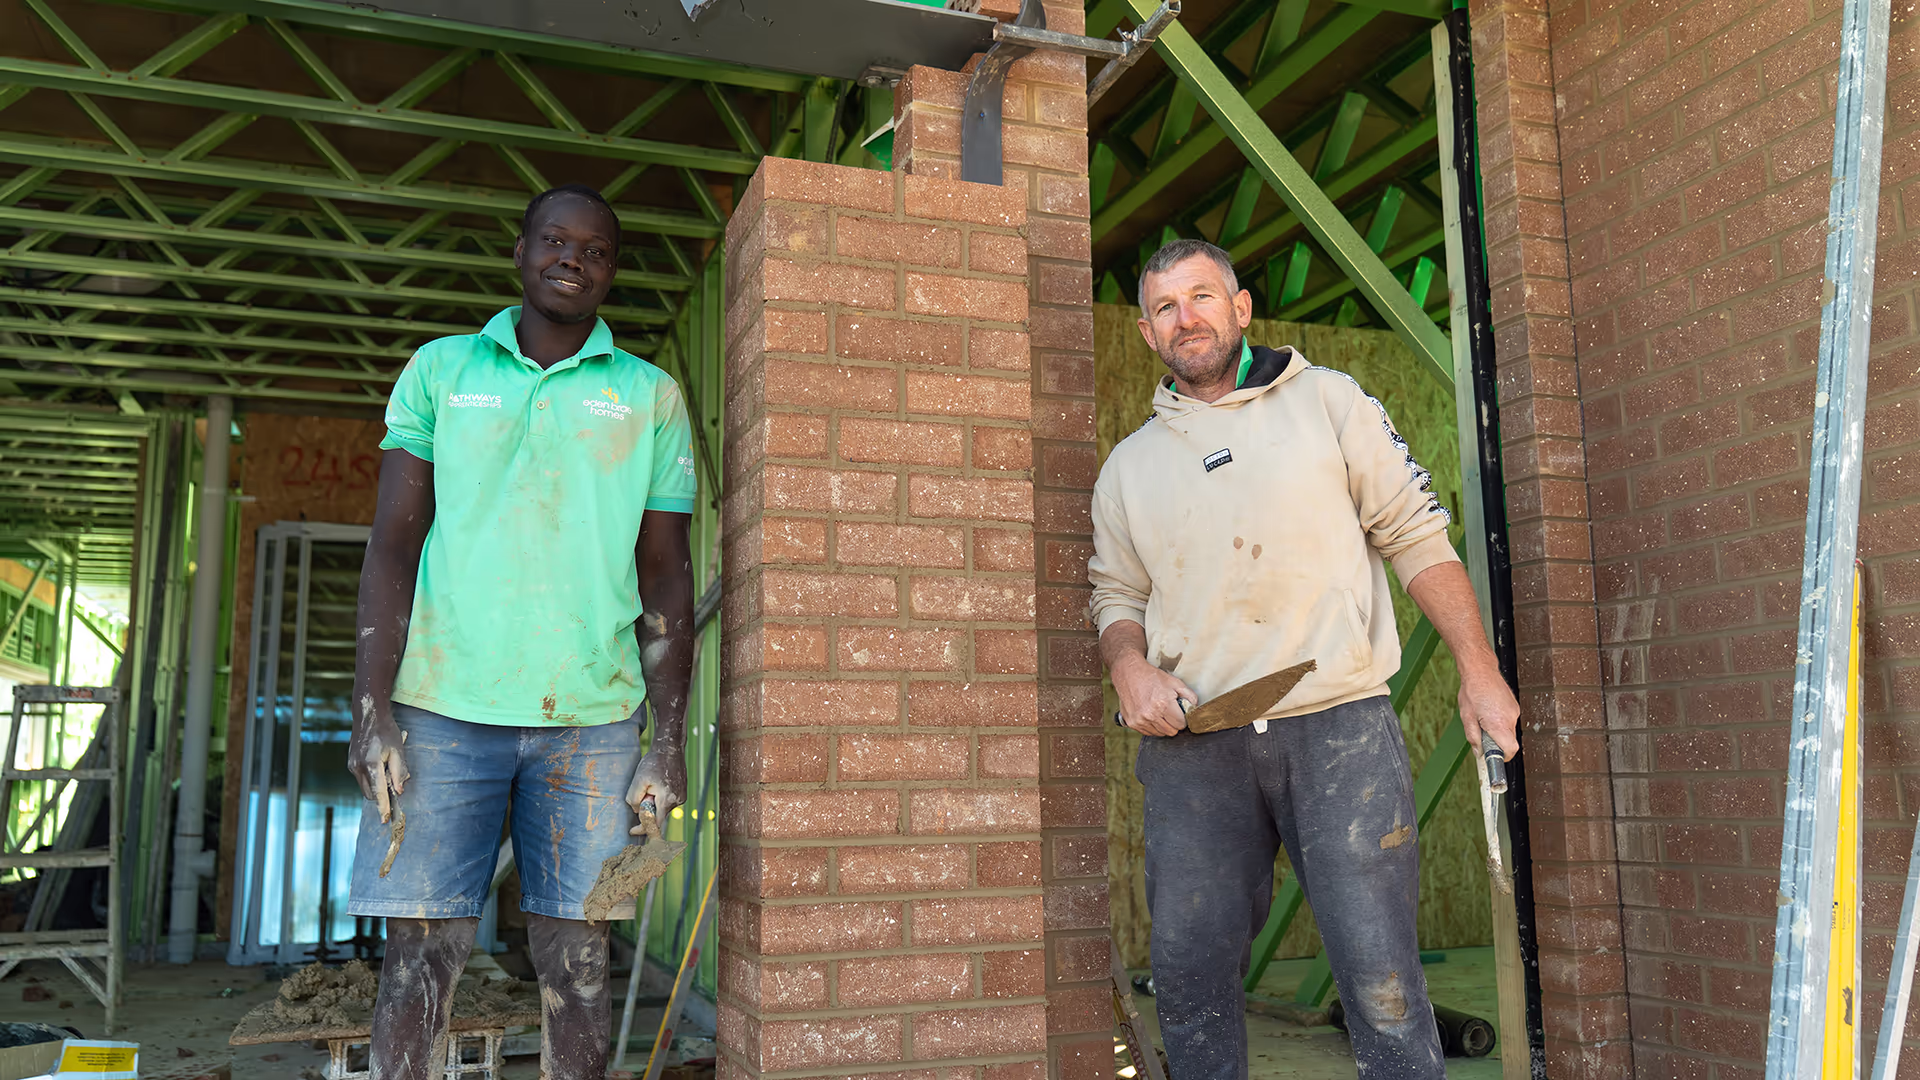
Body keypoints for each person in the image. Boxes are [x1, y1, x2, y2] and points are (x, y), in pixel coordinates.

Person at [1089, 238, 1521, 1079]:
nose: (1186, 318)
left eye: (1202, 296)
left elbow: (1415, 535)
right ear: (1146, 332)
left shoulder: (1329, 402)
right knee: (1189, 979)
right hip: (1195, 748)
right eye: (1166, 307)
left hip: (1339, 731)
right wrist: (1128, 668)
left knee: (1381, 980)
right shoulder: (1128, 469)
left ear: (1241, 307)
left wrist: (1479, 671)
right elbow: (1117, 598)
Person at [345, 183, 698, 1079]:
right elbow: (392, 546)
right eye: (554, 240)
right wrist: (371, 711)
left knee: (579, 964)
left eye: (594, 249)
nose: (572, 258)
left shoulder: (649, 396)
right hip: (438, 708)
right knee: (419, 958)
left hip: (595, 718)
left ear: (612, 272)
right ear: (521, 251)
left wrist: (667, 741)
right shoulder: (441, 371)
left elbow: (666, 575)